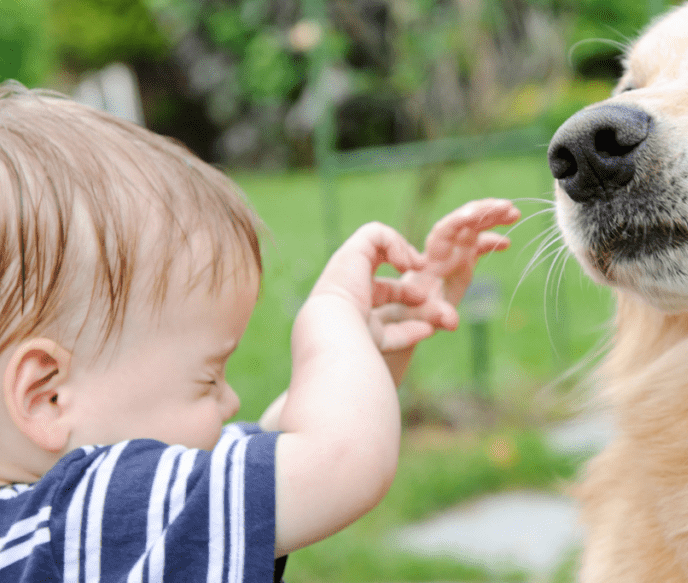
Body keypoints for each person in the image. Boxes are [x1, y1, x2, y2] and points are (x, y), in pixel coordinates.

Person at [0, 84, 521, 581]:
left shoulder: (33, 532)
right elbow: (337, 462)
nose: (231, 401)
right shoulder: (89, 516)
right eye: (207, 379)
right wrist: (331, 317)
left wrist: (362, 351)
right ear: (46, 395)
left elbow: (278, 445)